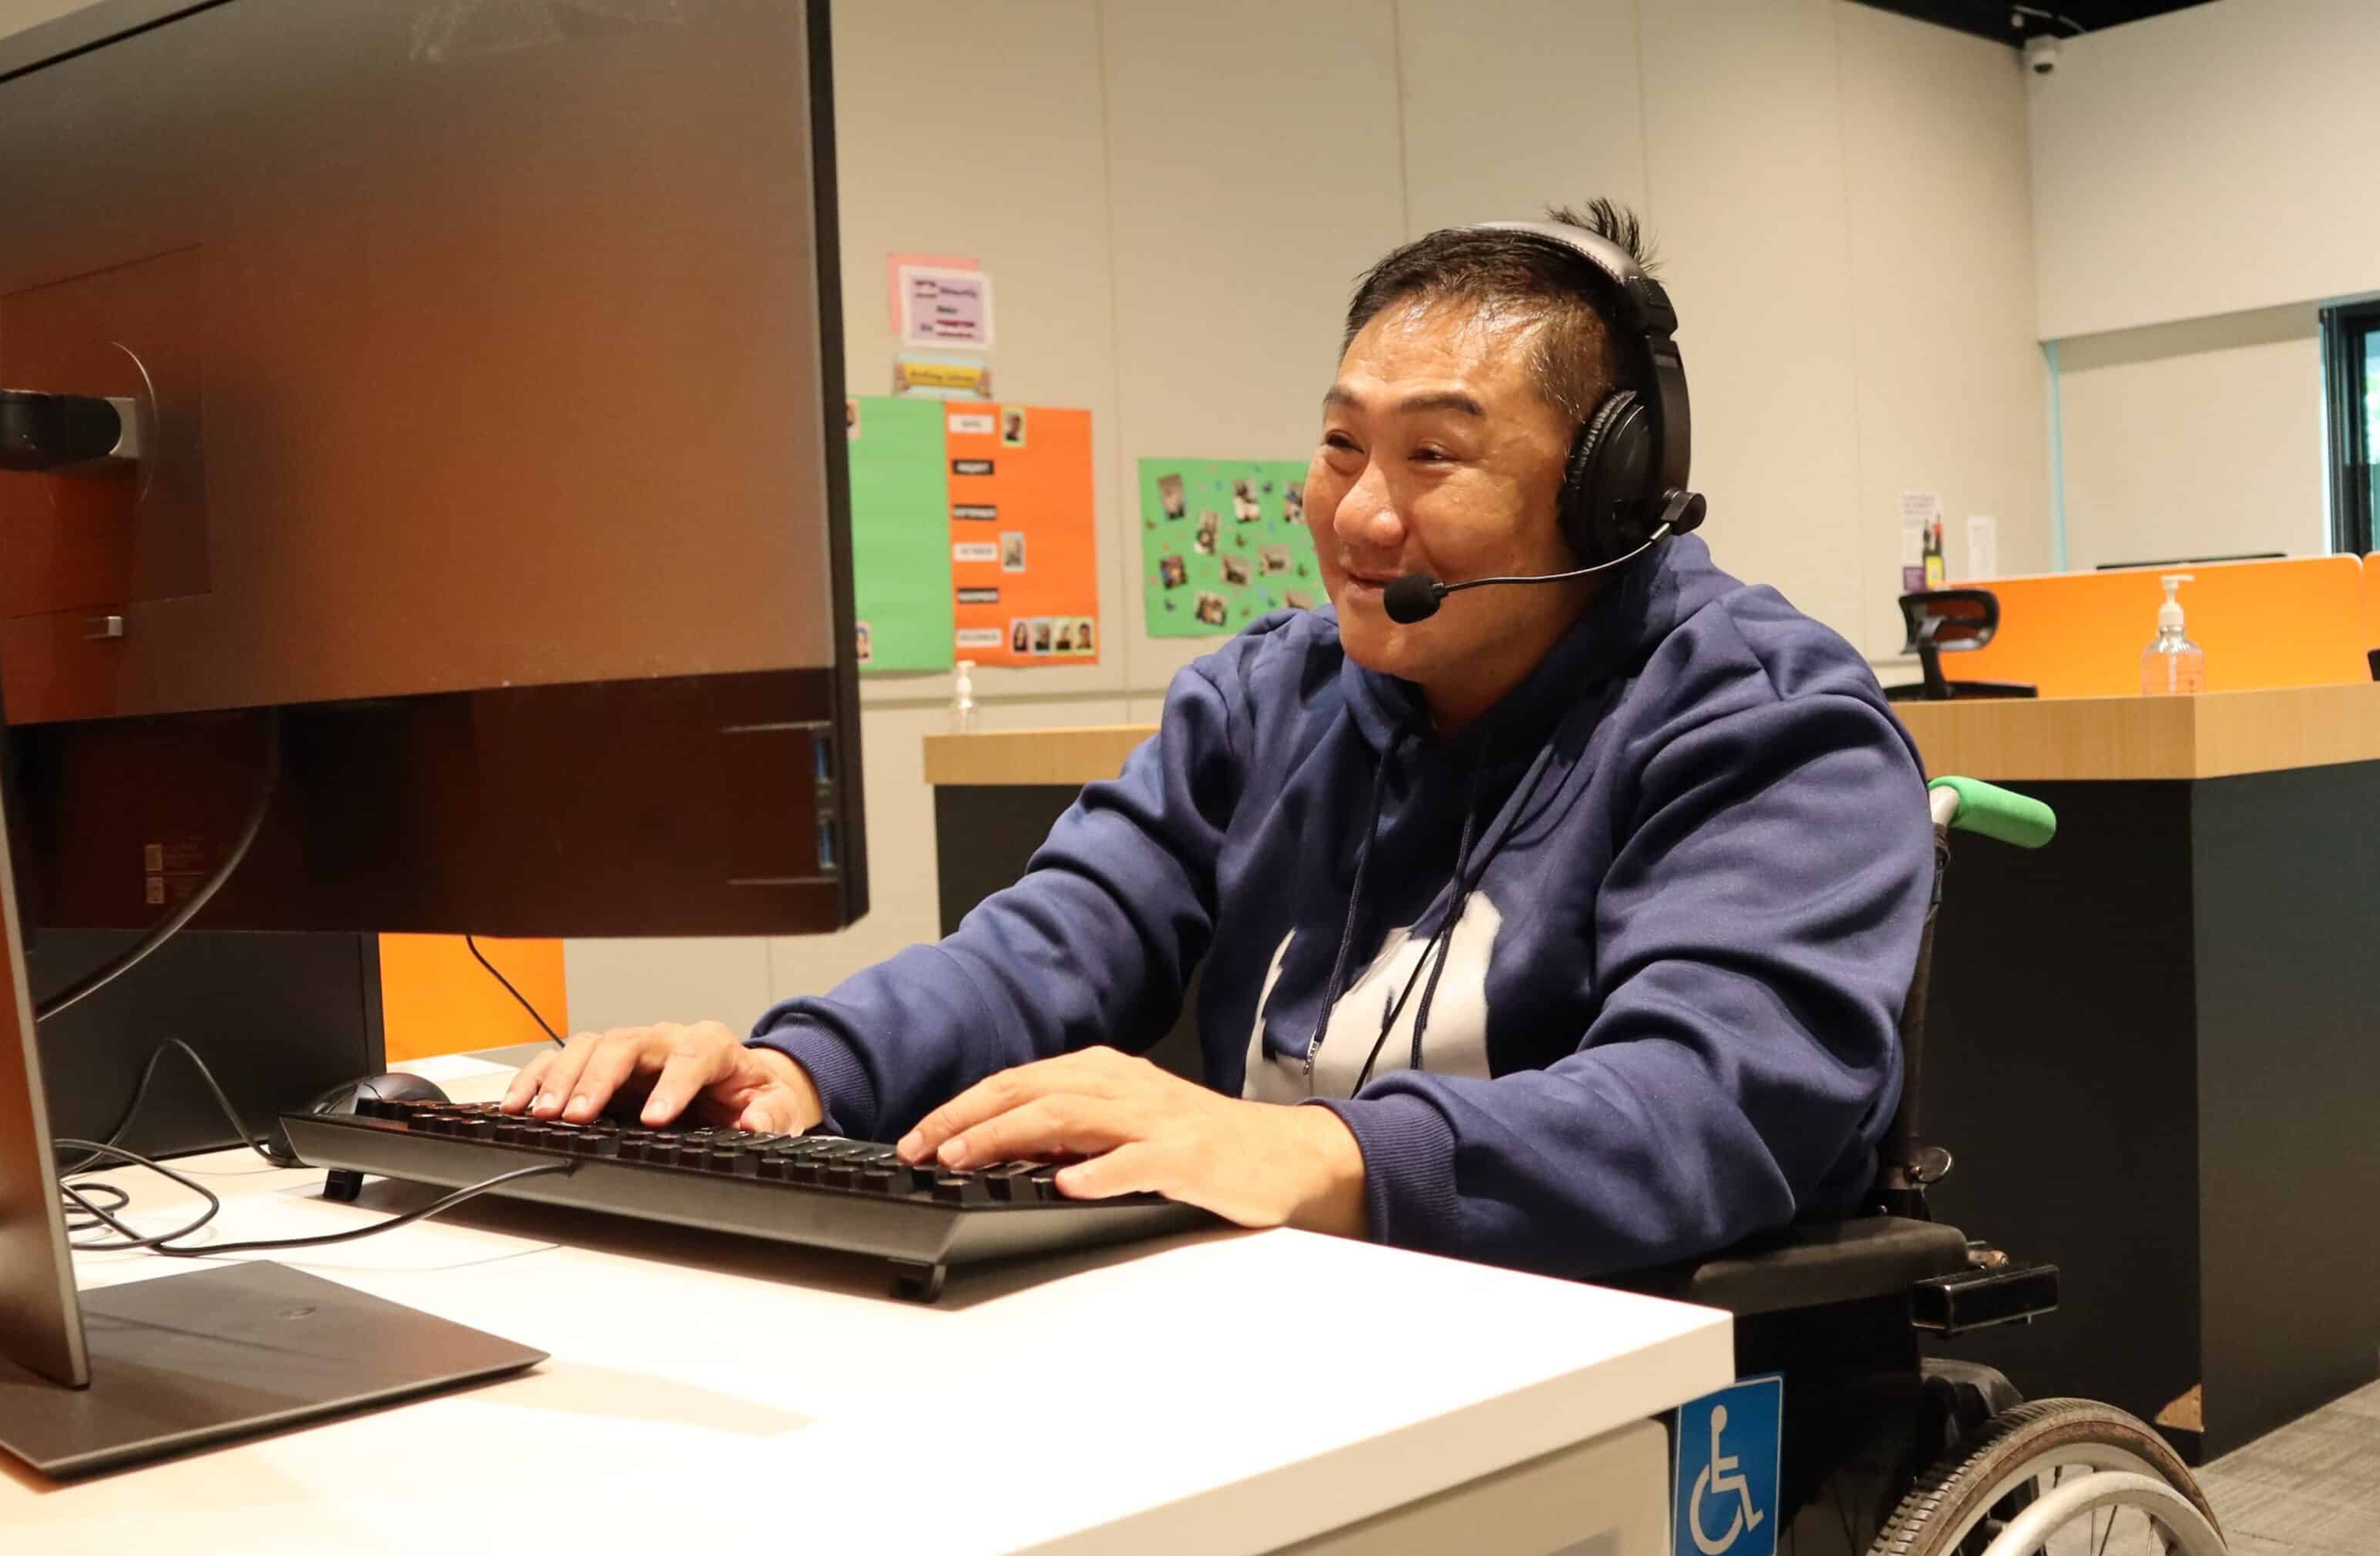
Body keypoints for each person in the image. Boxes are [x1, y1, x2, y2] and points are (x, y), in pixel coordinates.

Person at [503, 201, 1932, 1279]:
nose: (1364, 515)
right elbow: (1047, 944)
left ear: (1615, 492)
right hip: (1288, 1326)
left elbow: (1713, 1103)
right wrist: (802, 1070)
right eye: (1339, 448)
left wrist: (1318, 1151)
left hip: (1612, 1355)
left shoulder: (1769, 721)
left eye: (1435, 456)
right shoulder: (1268, 697)